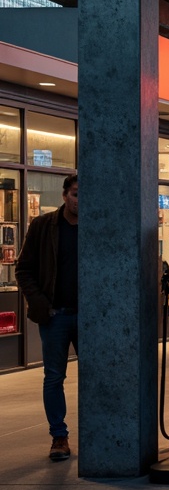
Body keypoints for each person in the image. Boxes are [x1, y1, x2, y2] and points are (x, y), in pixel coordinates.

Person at [15, 174, 78, 462]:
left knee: (98, 376)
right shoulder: (43, 226)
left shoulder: (100, 226)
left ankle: (97, 432)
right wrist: (39, 303)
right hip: (56, 316)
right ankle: (59, 436)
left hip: (92, 318)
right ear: (65, 195)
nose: (81, 200)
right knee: (54, 377)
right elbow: (24, 269)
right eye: (76, 193)